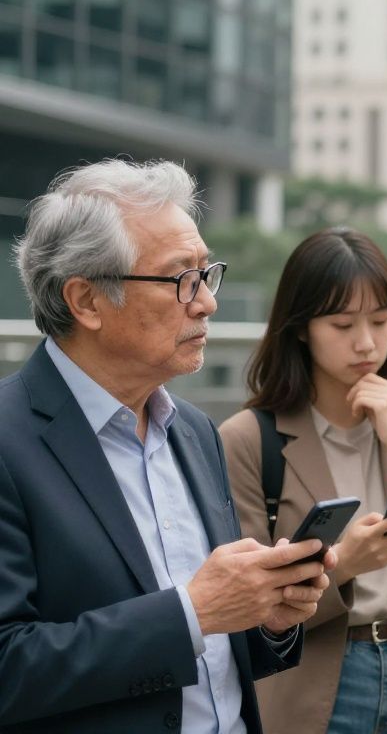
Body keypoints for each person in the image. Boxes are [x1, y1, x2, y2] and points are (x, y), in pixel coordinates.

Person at [0, 159, 332, 732]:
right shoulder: (10, 439)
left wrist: (268, 620)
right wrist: (192, 613)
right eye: (181, 278)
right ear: (86, 301)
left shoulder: (195, 431)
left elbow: (220, 657)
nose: (206, 302)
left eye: (208, 274)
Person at [218, 227, 387, 734]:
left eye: (381, 321)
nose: (367, 343)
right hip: (315, 687)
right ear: (301, 328)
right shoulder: (250, 440)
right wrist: (343, 566)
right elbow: (246, 607)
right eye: (342, 324)